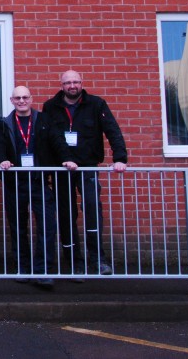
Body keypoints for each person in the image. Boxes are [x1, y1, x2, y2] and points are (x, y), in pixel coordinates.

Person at [41, 70, 127, 276]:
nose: (72, 86)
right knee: (66, 213)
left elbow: (112, 130)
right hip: (61, 168)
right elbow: (48, 138)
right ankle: (74, 261)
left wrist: (120, 158)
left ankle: (98, 258)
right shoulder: (50, 107)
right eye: (68, 82)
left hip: (87, 166)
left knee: (92, 209)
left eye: (76, 82)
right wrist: (54, 164)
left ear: (82, 83)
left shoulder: (97, 104)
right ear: (61, 85)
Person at [0, 86, 78, 289]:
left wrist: (67, 159)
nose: (22, 101)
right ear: (12, 101)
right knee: (18, 227)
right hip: (15, 182)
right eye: (17, 98)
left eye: (25, 97)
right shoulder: (4, 124)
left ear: (31, 99)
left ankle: (43, 270)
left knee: (47, 226)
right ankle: (22, 267)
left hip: (39, 181)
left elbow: (58, 142)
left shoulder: (44, 120)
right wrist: (2, 160)